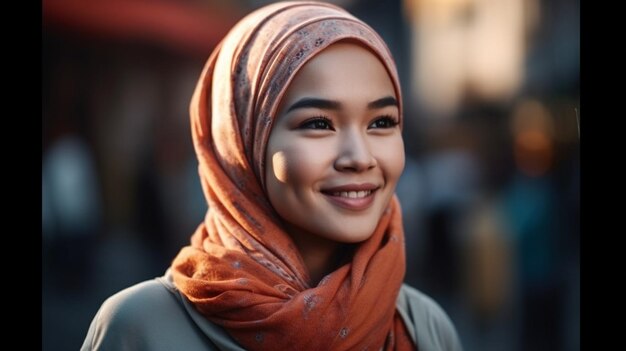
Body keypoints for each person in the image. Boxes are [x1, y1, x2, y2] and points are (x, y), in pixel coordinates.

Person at [81, 2, 462, 350]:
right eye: (318, 123)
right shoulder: (141, 328)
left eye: (381, 122)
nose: (359, 158)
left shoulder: (422, 328)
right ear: (241, 144)